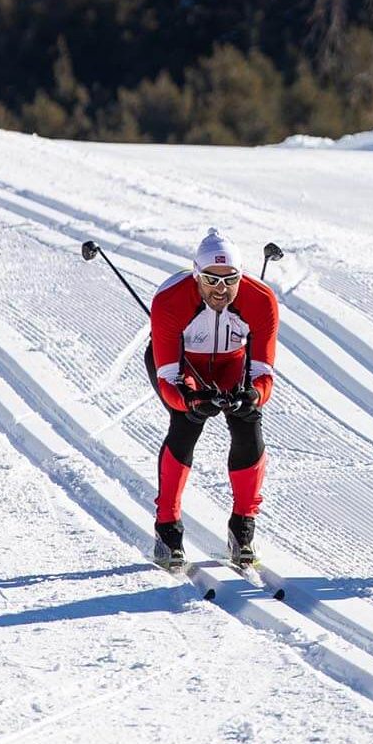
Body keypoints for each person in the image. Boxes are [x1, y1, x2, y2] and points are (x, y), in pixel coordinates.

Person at [146, 228, 279, 570]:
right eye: (210, 280)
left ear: (241, 275)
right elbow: (167, 380)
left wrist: (254, 395)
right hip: (183, 363)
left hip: (233, 362)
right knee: (186, 423)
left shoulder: (261, 300)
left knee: (249, 421)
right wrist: (189, 401)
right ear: (196, 275)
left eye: (229, 279)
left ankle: (243, 527)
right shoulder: (170, 301)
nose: (221, 289)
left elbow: (264, 374)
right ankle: (168, 530)